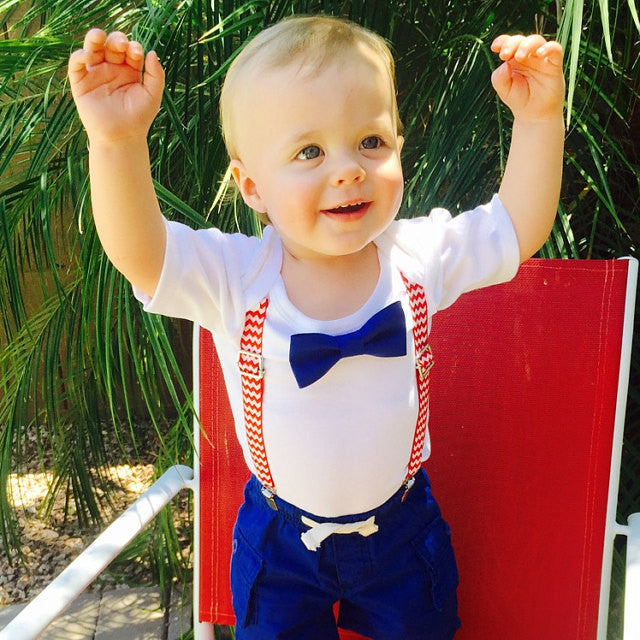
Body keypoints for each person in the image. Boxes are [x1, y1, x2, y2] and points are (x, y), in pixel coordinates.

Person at [68, 15, 564, 639]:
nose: (348, 169)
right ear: (252, 185)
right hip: (281, 541)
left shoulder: (417, 256)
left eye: (371, 142)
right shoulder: (237, 278)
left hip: (401, 534)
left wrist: (540, 119)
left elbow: (518, 224)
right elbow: (142, 251)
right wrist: (116, 143)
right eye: (309, 151)